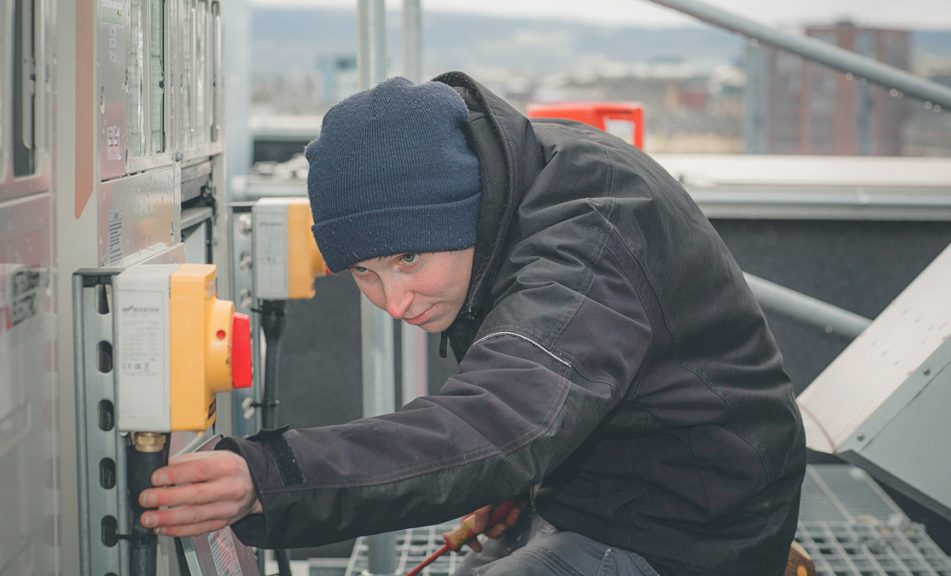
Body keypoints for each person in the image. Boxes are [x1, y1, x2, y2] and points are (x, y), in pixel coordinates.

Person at [139, 72, 806, 575]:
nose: (396, 303)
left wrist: (270, 476)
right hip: (615, 487)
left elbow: (505, 421)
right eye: (365, 276)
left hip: (690, 533)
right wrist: (527, 487)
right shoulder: (517, 176)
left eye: (407, 259)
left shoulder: (589, 235)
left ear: (467, 212)